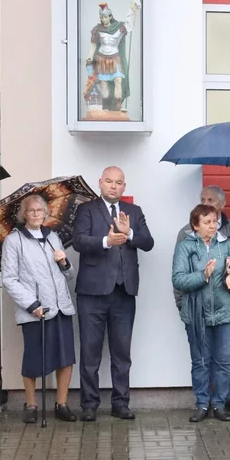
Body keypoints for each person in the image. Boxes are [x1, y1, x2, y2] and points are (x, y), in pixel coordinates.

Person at [72, 166, 154, 421]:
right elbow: (78, 241)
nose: (113, 186)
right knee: (90, 352)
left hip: (124, 292)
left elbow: (148, 243)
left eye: (118, 182)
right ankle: (89, 404)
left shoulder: (133, 211)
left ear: (124, 186)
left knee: (122, 353)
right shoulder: (86, 210)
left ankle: (121, 403)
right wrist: (106, 241)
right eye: (109, 181)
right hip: (92, 294)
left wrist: (129, 233)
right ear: (100, 183)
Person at [175, 186, 230, 416]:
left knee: (226, 358)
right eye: (207, 222)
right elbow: (178, 279)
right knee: (201, 360)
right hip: (197, 310)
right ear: (195, 224)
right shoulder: (185, 242)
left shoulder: (229, 238)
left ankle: (221, 402)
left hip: (227, 309)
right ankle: (202, 404)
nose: (212, 225)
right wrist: (201, 278)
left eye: (214, 221)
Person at [1, 194, 78, 424]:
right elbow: (9, 279)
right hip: (36, 310)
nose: (36, 214)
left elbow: (69, 275)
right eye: (31, 210)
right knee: (34, 359)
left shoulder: (53, 237)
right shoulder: (14, 241)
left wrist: (64, 262)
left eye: (40, 210)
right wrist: (32, 304)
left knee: (65, 357)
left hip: (61, 307)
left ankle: (61, 404)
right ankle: (31, 404)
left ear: (46, 213)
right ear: (23, 214)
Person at [86, 1, 138, 112]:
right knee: (103, 83)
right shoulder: (97, 29)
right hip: (101, 58)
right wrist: (90, 56)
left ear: (110, 16)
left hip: (115, 58)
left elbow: (130, 24)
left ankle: (117, 107)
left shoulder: (119, 27)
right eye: (102, 17)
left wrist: (133, 9)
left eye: (105, 17)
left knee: (118, 80)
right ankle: (105, 107)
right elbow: (93, 45)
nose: (104, 20)